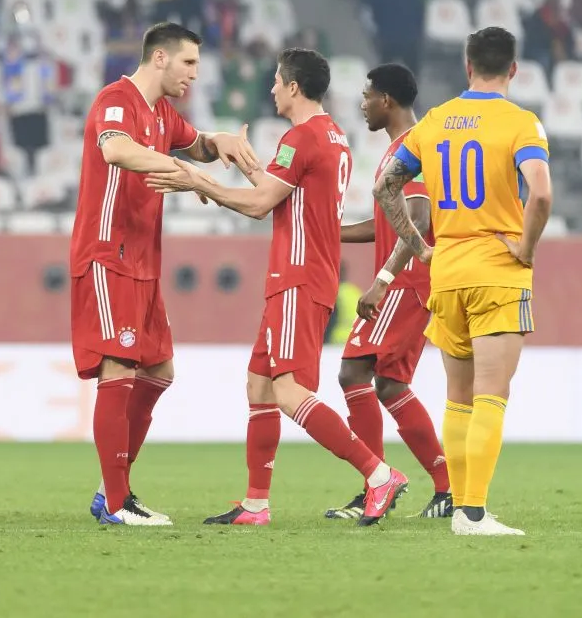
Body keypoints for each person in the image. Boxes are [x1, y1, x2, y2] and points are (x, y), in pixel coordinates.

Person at [147, 48, 409, 528]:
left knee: (288, 391)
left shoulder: (301, 137)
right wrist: (245, 165)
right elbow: (286, 194)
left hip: (298, 274)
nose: (270, 89)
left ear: (293, 87)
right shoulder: (333, 137)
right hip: (303, 274)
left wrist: (198, 181)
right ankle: (255, 504)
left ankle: (377, 474)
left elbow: (261, 206)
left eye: (275, 81)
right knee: (260, 386)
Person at [71, 22, 260, 526]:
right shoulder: (118, 99)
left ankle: (115, 489)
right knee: (118, 369)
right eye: (189, 63)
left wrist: (216, 144)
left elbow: (193, 143)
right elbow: (114, 148)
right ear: (160, 57)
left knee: (158, 371)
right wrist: (186, 173)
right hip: (108, 254)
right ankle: (114, 502)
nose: (195, 74)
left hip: (143, 263)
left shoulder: (162, 113)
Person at [373, 26, 552, 536]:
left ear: (466, 66)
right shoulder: (522, 123)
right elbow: (539, 194)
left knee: (457, 397)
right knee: (493, 395)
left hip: (446, 271)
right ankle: (472, 513)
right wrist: (526, 248)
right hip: (497, 270)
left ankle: (461, 508)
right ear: (513, 70)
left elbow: (386, 184)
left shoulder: (434, 121)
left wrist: (418, 244)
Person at [328, 63, 451, 521]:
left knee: (353, 372)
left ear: (387, 101)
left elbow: (418, 221)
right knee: (389, 383)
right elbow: (383, 225)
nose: (361, 104)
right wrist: (328, 232)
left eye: (366, 95)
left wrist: (381, 280)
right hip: (407, 280)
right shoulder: (396, 151)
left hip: (407, 282)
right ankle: (438, 488)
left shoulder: (413, 149)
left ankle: (376, 483)